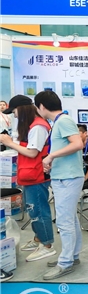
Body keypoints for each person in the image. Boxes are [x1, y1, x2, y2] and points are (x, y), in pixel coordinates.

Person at [34, 90, 85, 280]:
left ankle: (65, 263)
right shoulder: (59, 122)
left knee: (64, 221)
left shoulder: (63, 121)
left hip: (68, 178)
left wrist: (51, 156)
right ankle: (72, 256)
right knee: (70, 219)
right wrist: (52, 161)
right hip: (64, 176)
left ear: (41, 106)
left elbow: (77, 144)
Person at [0, 95, 55, 263]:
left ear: (22, 109)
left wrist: (10, 143)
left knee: (38, 210)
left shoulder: (38, 126)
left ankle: (47, 245)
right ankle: (39, 238)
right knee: (33, 209)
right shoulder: (32, 125)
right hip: (29, 174)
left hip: (37, 175)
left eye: (14, 111)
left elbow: (32, 153)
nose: (14, 115)